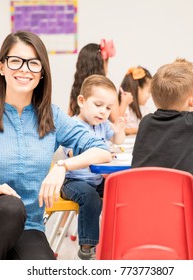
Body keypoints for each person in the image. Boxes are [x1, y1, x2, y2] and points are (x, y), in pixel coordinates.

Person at [0, 31, 112, 260]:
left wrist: (62, 166)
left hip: (28, 226)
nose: (25, 69)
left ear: (42, 73)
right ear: (2, 67)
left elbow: (102, 151)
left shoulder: (52, 116)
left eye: (34, 63)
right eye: (16, 61)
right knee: (10, 207)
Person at [131, 58, 193, 260]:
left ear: (153, 97)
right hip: (181, 214)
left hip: (141, 213)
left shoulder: (145, 122)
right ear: (191, 99)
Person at [61, 74, 126, 260]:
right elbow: (74, 155)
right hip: (74, 181)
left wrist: (119, 131)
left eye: (108, 108)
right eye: (98, 105)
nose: (103, 112)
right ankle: (87, 247)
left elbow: (117, 141)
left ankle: (120, 239)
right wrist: (100, 155)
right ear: (81, 101)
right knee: (90, 198)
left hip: (96, 179)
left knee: (122, 190)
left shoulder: (103, 124)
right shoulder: (72, 126)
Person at [118, 66, 152, 135]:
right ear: (138, 90)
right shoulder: (124, 109)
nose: (150, 96)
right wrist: (137, 130)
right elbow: (118, 128)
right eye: (149, 91)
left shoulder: (145, 111)